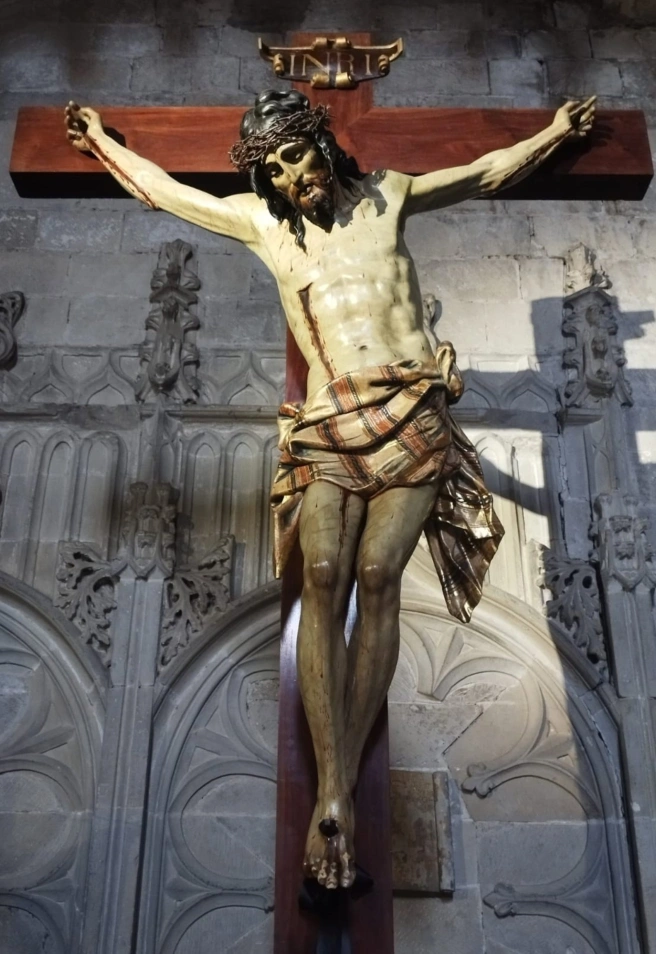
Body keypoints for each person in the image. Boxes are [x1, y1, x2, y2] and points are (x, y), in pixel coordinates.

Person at [65, 89, 596, 890]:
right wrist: (104, 144)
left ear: (322, 143)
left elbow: (486, 171)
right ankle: (335, 791)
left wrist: (553, 133)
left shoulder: (390, 195)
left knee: (379, 576)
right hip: (327, 421)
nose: (288, 177)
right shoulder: (265, 226)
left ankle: (337, 786)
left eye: (295, 156)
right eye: (273, 169)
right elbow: (169, 192)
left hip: (413, 412)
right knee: (320, 579)